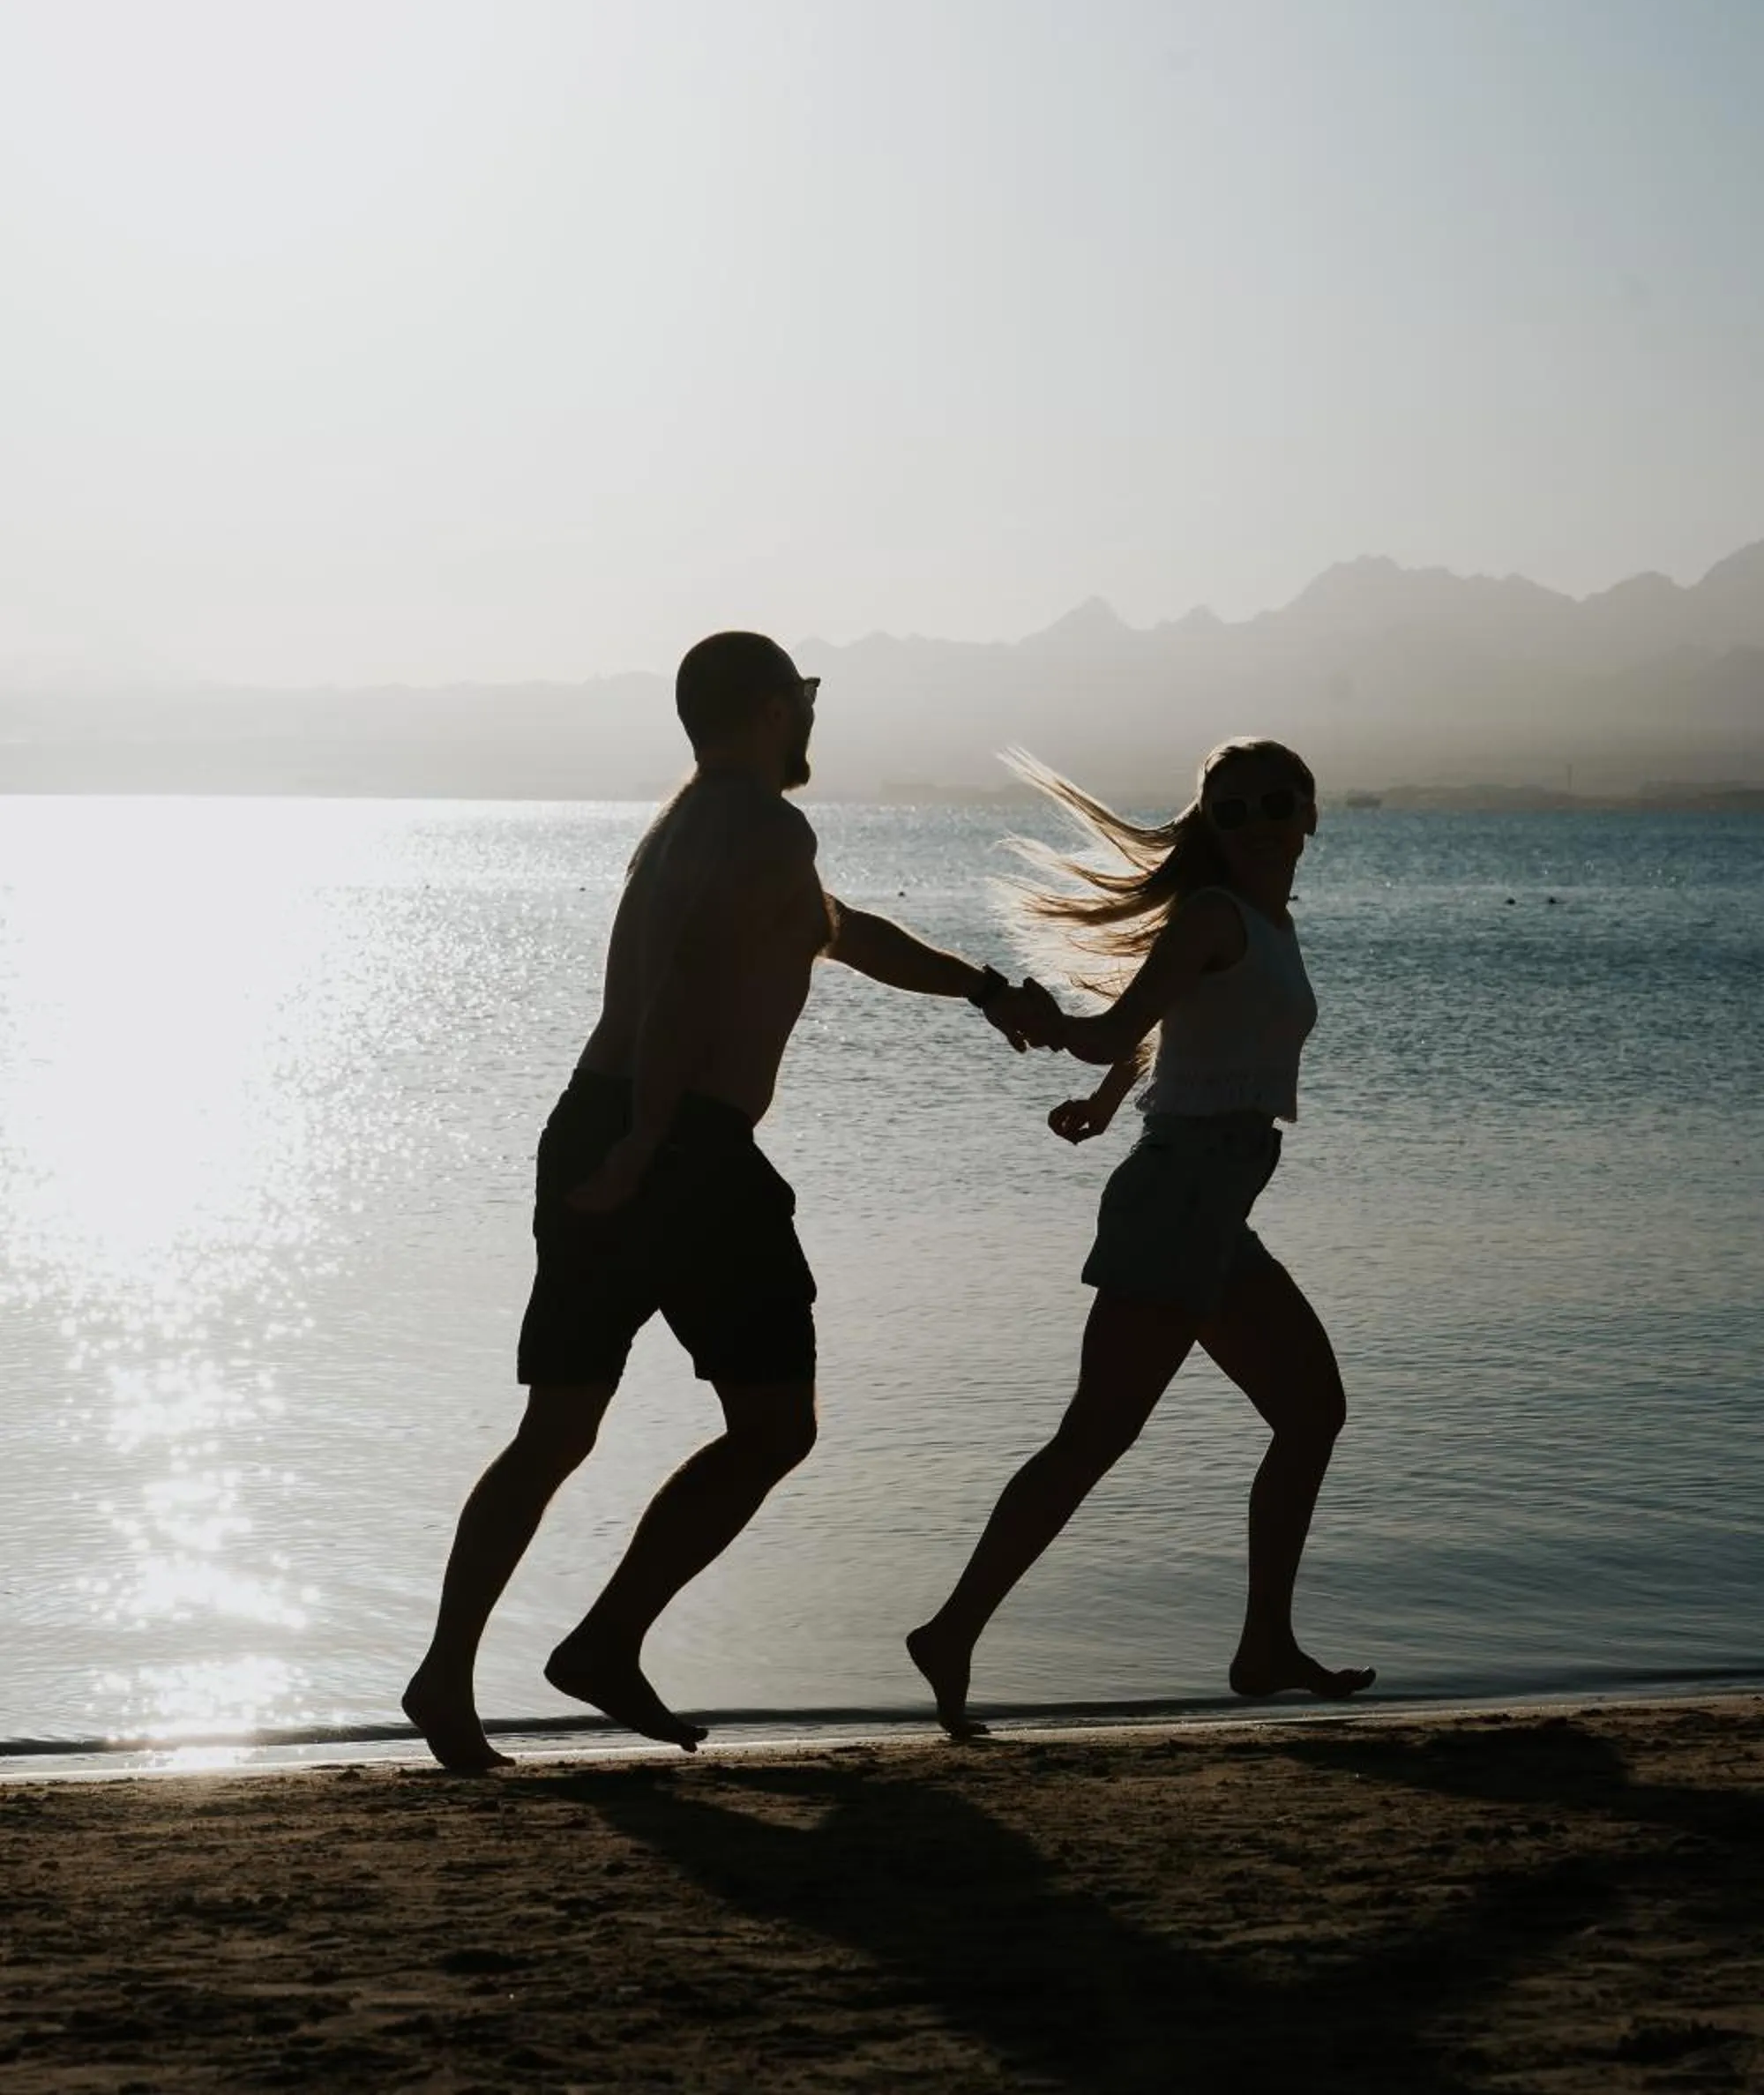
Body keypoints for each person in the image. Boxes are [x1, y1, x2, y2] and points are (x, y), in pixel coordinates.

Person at [403, 631, 1052, 1770]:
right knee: (772, 1426)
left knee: (557, 1428)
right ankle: (600, 1643)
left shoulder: (696, 822)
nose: (814, 715)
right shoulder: (762, 826)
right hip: (679, 1145)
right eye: (805, 696)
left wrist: (982, 989)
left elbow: (839, 933)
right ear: (769, 709)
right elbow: (688, 984)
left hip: (601, 1125)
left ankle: (451, 1677)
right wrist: (646, 1145)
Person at [908, 738, 1373, 1737]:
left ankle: (1264, 1647)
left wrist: (1110, 1100)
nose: (1256, 823)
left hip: (1211, 1207)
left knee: (1309, 1412)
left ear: (1309, 813)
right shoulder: (1213, 915)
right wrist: (1047, 1026)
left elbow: (1169, 1025)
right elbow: (1116, 1028)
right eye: (1231, 810)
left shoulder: (1264, 921)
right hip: (1177, 1203)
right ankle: (949, 1632)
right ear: (1211, 825)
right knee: (1097, 1435)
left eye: (1274, 803)